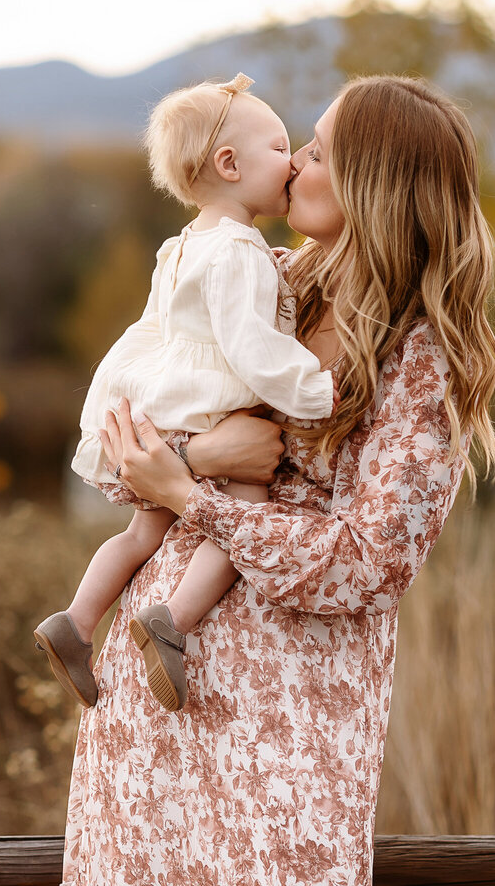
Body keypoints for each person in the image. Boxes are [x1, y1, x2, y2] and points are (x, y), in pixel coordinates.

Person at [63, 75, 495, 886]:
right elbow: (130, 451)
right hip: (160, 694)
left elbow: (369, 564)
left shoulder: (420, 359)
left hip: (286, 718)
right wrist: (193, 468)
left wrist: (192, 496)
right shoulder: (264, 281)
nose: (295, 163)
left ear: (372, 183)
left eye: (318, 150)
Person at [34, 74, 334, 714]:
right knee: (246, 506)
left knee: (144, 532)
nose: (295, 161)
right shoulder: (239, 251)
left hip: (164, 401)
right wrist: (315, 391)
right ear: (230, 164)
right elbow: (253, 347)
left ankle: (78, 621)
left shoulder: (182, 245)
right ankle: (173, 620)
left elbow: (149, 330)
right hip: (208, 405)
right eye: (282, 147)